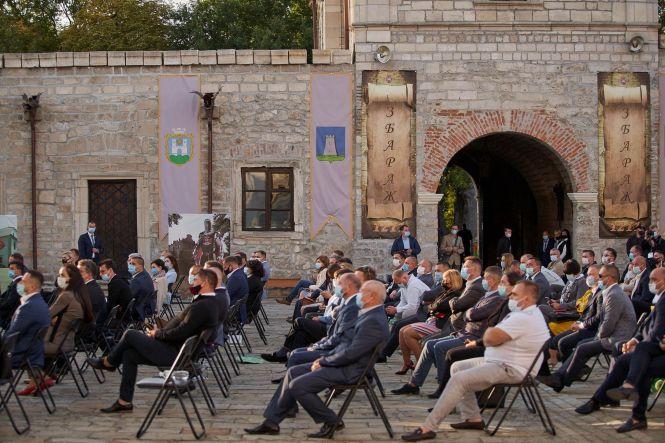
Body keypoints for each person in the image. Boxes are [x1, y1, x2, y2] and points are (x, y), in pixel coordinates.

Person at [400, 280, 550, 441]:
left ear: (526, 298)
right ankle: (473, 418)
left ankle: (428, 427)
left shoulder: (523, 317)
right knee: (457, 367)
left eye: (514, 294)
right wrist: (494, 331)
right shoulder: (528, 313)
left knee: (459, 379)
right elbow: (494, 334)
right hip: (501, 362)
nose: (510, 296)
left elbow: (491, 337)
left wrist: (492, 330)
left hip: (510, 368)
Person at [245, 280, 389, 438]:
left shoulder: (373, 320)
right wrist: (325, 357)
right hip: (342, 363)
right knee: (292, 372)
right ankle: (271, 422)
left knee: (298, 386)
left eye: (362, 292)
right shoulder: (370, 314)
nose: (359, 295)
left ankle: (332, 420)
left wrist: (324, 361)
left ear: (372, 297)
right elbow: (346, 344)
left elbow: (352, 353)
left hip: (350, 370)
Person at [88, 268, 220, 413]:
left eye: (195, 280)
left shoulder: (202, 305)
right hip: (176, 349)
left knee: (130, 334)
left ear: (205, 282)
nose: (192, 282)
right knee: (129, 355)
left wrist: (157, 334)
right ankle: (124, 401)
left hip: (175, 354)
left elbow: (181, 332)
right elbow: (182, 328)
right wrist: (160, 331)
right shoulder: (209, 302)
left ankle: (109, 362)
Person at [575, 267, 665, 433]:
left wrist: (641, 343)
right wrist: (634, 340)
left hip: (656, 350)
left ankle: (633, 408)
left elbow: (658, 331)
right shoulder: (660, 298)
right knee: (624, 360)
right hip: (653, 349)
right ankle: (599, 400)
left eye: (655, 280)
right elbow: (647, 326)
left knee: (642, 364)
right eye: (650, 279)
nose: (651, 283)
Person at [538, 264, 637, 392]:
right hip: (609, 334)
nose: (598, 279)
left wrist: (597, 337)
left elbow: (608, 323)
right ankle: (559, 378)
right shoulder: (610, 292)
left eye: (600, 276)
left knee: (583, 347)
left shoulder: (614, 294)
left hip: (617, 338)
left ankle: (559, 380)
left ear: (609, 278)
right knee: (581, 345)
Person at [394, 270, 464, 376]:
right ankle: (407, 363)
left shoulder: (455, 294)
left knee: (407, 333)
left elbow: (438, 306)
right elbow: (429, 300)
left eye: (445, 280)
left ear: (452, 281)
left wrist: (432, 306)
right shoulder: (446, 292)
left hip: (441, 324)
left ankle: (420, 365)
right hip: (433, 319)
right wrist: (433, 306)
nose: (443, 282)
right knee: (401, 330)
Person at [285, 273, 362, 368]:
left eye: (340, 283)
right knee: (300, 335)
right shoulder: (347, 301)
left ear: (349, 287)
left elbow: (340, 337)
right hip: (330, 337)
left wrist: (318, 346)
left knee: (299, 323)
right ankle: (290, 361)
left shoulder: (352, 307)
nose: (337, 285)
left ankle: (289, 358)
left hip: (335, 349)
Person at [6, 270, 50, 372]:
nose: (20, 283)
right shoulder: (40, 302)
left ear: (32, 287)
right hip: (34, 353)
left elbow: (12, 335)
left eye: (23, 281)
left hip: (21, 354)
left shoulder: (28, 307)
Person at [78, 259, 107, 327]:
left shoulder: (87, 290)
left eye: (80, 271)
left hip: (88, 328)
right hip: (95, 325)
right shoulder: (94, 286)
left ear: (89, 274)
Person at [0, 259, 26, 328]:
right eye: (9, 269)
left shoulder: (19, 283)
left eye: (12, 269)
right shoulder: (16, 282)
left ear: (19, 270)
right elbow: (5, 296)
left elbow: (10, 303)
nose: (9, 271)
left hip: (9, 317)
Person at [128, 256, 154, 320]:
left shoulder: (136, 280)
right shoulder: (145, 275)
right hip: (148, 307)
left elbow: (129, 297)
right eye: (130, 263)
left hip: (139, 310)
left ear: (140, 267)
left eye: (133, 264)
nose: (130, 265)